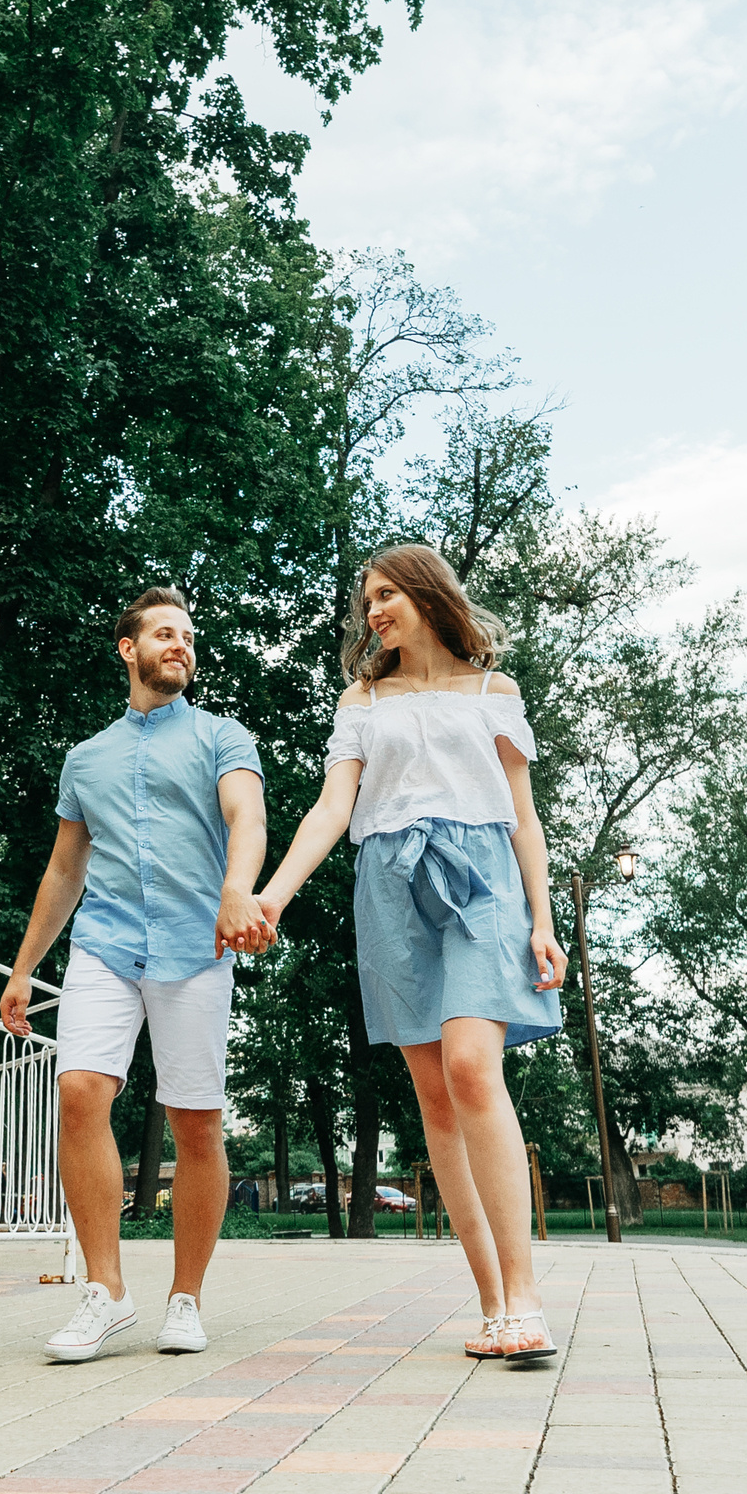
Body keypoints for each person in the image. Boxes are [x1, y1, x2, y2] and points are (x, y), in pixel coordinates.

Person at [255, 543, 566, 1362]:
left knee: (471, 1065)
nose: (374, 610)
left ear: (428, 594)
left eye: (387, 592)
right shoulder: (362, 699)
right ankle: (493, 1301)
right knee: (433, 1098)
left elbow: (523, 818)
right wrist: (273, 893)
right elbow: (331, 808)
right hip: (390, 887)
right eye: (368, 599)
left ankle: (528, 1294)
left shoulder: (495, 691)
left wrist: (543, 917)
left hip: (483, 881)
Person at [2, 587, 271, 1362]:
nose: (180, 644)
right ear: (129, 649)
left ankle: (184, 1297)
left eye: (188, 635)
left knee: (195, 1121)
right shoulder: (86, 758)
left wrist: (237, 888)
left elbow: (245, 818)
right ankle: (108, 1290)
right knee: (81, 1090)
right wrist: (25, 968)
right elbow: (63, 869)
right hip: (107, 944)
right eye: (164, 632)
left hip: (198, 946)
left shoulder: (224, 735)